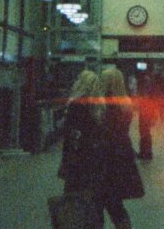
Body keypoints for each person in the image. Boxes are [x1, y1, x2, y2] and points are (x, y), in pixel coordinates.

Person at [98, 67, 145, 229]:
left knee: (99, 200)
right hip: (121, 154)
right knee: (114, 201)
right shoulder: (126, 102)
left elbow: (104, 131)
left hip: (104, 156)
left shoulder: (105, 104)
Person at [57, 70, 105, 226]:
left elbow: (72, 138)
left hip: (76, 164)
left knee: (73, 203)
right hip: (95, 164)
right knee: (93, 204)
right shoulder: (99, 108)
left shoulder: (76, 106)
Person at [135, 71, 155, 160]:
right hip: (147, 110)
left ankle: (145, 152)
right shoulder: (148, 81)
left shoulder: (144, 82)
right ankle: (147, 152)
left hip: (145, 110)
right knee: (146, 131)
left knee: (144, 131)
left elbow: (145, 96)